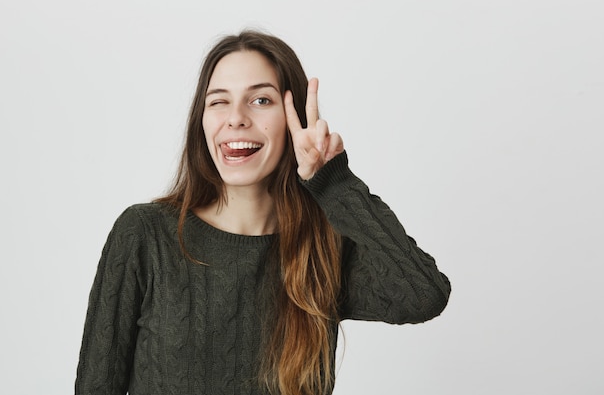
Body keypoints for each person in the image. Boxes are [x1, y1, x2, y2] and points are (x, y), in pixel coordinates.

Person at [75, 30, 451, 395]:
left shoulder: (323, 249)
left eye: (260, 101)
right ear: (201, 122)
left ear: (295, 121)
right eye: (218, 101)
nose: (236, 117)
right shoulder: (145, 234)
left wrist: (333, 183)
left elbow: (423, 295)